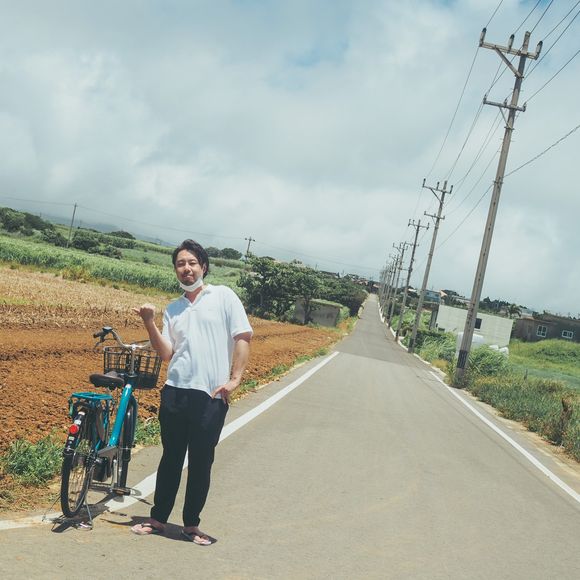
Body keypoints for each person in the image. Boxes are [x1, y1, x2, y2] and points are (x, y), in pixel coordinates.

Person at [130, 239, 252, 545]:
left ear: (203, 267)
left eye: (192, 263)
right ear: (176, 270)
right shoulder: (174, 308)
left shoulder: (223, 296)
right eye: (180, 264)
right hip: (175, 391)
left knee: (201, 461)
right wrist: (149, 322)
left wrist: (235, 379)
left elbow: (242, 336)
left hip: (210, 395)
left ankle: (191, 525)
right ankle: (158, 519)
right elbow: (166, 353)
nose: (186, 268)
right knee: (170, 458)